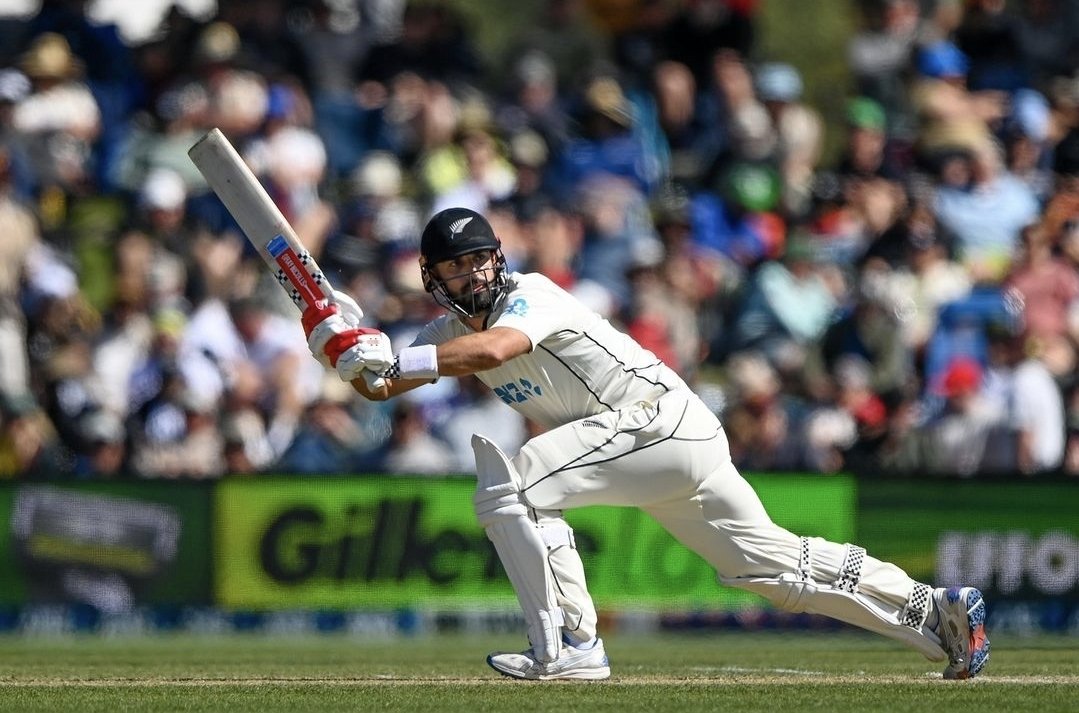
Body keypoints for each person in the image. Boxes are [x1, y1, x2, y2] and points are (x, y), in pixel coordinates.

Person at [302, 207, 990, 681]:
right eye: (458, 267)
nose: (475, 274)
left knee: (519, 481)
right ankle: (935, 612)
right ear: (433, 276)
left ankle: (571, 643)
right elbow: (377, 386)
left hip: (656, 421)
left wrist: (392, 358)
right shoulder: (444, 336)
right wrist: (340, 348)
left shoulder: (531, 295)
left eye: (481, 259)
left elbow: (496, 348)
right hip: (658, 444)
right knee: (771, 572)